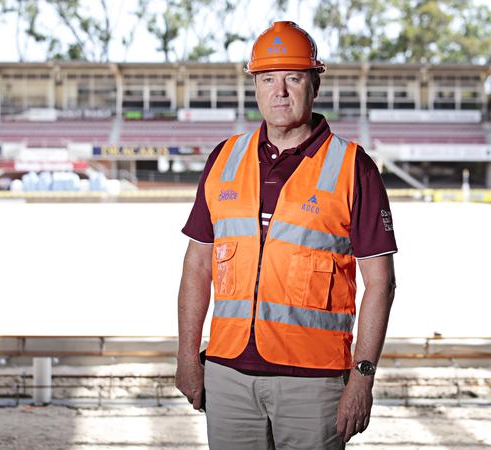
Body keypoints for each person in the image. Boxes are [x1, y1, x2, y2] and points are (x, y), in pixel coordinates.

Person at [176, 21, 397, 449]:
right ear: (255, 86)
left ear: (314, 83)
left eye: (293, 78)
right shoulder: (224, 158)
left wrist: (362, 377)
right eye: (267, 79)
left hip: (313, 384)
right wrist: (188, 355)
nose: (280, 91)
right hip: (228, 375)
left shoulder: (353, 167)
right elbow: (197, 264)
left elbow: (381, 283)